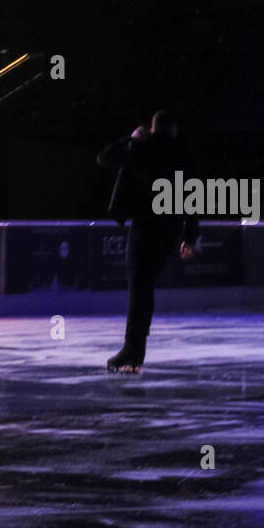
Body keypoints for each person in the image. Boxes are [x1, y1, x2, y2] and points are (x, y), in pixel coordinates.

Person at [96, 109, 198, 373]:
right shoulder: (183, 154)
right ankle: (135, 351)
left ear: (153, 129)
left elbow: (104, 158)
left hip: (145, 228)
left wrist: (130, 139)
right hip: (169, 229)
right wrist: (189, 236)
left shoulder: (143, 148)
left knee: (139, 289)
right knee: (145, 287)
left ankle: (133, 352)